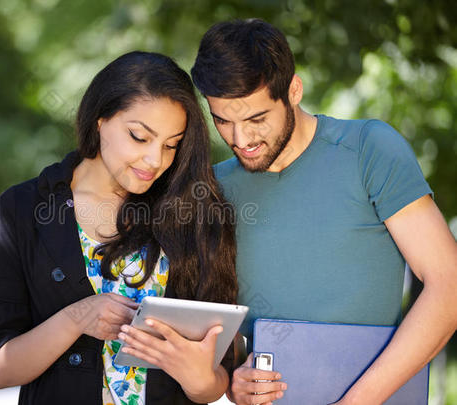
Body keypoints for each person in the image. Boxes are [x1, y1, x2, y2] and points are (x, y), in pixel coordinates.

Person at [190, 18, 457, 405]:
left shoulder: (369, 150)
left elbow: (448, 286)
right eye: (222, 121)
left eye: (256, 119)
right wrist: (235, 379)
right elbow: (220, 332)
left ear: (294, 90)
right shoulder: (213, 191)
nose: (240, 139)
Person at [0, 51, 239, 405]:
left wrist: (198, 376)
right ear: (100, 119)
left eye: (171, 145)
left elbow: (214, 384)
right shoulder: (23, 209)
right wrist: (76, 319)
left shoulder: (192, 212)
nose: (155, 160)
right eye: (140, 137)